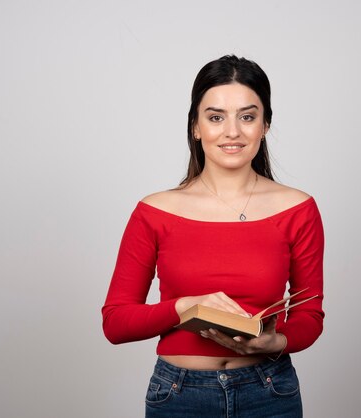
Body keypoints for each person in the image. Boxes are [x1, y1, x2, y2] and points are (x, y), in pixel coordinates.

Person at [102, 55, 324, 418]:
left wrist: (276, 341)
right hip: (179, 395)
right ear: (196, 127)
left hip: (269, 392)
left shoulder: (298, 209)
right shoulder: (154, 211)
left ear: (265, 125)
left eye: (247, 116)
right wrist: (182, 308)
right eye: (216, 117)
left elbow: (309, 315)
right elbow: (115, 322)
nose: (232, 131)